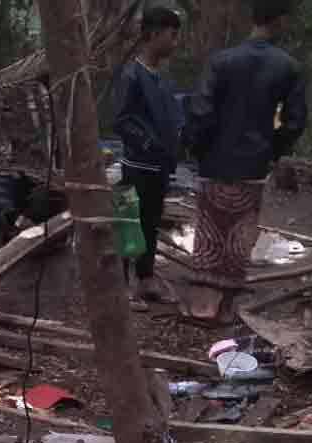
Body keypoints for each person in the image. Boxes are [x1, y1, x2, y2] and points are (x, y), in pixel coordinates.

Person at [181, 0, 308, 322]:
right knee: (240, 234)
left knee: (210, 232)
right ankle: (226, 307)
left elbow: (201, 112)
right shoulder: (287, 67)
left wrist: (198, 150)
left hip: (215, 162)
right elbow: (294, 122)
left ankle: (200, 305)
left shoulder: (222, 61)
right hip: (253, 164)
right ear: (279, 20)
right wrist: (271, 151)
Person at [114, 7, 183, 302]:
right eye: (172, 35)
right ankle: (120, 285)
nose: (175, 42)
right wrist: (148, 143)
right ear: (153, 34)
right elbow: (121, 120)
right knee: (130, 223)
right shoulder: (132, 74)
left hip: (159, 167)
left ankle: (146, 279)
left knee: (151, 223)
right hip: (137, 166)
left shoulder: (161, 78)